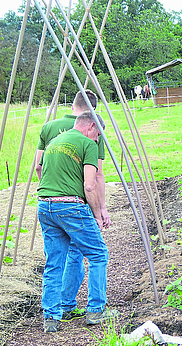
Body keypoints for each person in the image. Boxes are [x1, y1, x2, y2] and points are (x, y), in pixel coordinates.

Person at [37, 112, 118, 332]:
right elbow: (89, 185)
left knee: (54, 262)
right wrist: (98, 214)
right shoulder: (87, 145)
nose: (97, 140)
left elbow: (39, 169)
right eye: (98, 134)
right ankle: (96, 309)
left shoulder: (54, 142)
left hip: (45, 205)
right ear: (91, 126)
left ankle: (52, 317)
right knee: (98, 254)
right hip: (71, 206)